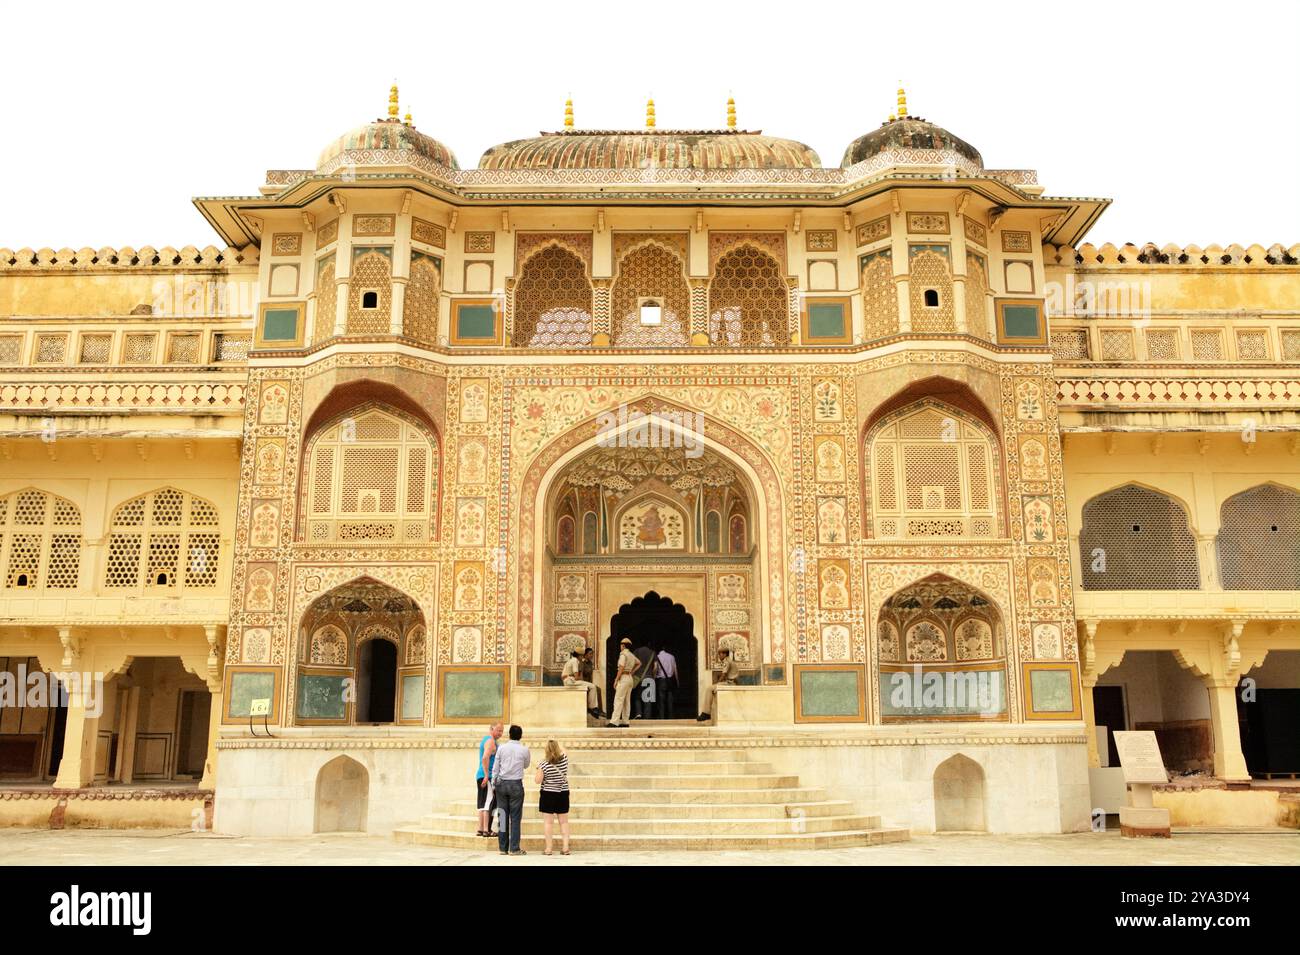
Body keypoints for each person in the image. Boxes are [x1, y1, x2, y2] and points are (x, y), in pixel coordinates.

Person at [490, 724, 531, 855]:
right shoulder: (524, 750)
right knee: (515, 817)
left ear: (509, 735)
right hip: (516, 785)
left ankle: (502, 848)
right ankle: (514, 848)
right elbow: (526, 765)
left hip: (501, 784)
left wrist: (493, 783)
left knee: (502, 816)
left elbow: (495, 768)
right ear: (520, 736)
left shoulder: (501, 748)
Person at [534, 738, 571, 856]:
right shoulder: (564, 759)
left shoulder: (543, 764)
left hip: (548, 794)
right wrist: (556, 743)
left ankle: (549, 849)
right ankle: (565, 848)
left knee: (548, 823)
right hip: (563, 793)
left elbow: (537, 781)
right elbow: (564, 750)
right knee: (564, 822)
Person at [697, 647, 740, 722]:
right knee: (711, 688)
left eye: (720, 654)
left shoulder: (727, 662)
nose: (719, 656)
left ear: (724, 654)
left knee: (709, 688)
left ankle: (706, 713)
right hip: (730, 682)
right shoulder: (729, 661)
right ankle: (706, 712)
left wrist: (717, 683)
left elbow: (724, 674)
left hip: (730, 683)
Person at [475, 721, 502, 837]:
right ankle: (486, 830)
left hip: (481, 775)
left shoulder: (486, 739)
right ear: (491, 729)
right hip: (487, 776)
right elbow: (485, 758)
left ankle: (480, 828)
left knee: (482, 803)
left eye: (502, 731)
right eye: (498, 730)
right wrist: (487, 775)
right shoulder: (491, 741)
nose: (500, 733)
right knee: (489, 802)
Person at [562, 649, 604, 718]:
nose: (582, 657)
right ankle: (592, 708)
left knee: (592, 687)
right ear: (580, 655)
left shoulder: (571, 660)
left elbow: (564, 676)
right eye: (582, 656)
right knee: (593, 687)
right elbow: (576, 677)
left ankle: (595, 709)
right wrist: (583, 681)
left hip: (569, 680)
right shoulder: (575, 661)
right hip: (571, 681)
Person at [607, 637, 638, 727]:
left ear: (623, 645)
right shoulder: (631, 655)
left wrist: (616, 679)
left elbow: (620, 668)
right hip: (629, 678)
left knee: (618, 700)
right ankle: (625, 722)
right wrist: (631, 672)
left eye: (621, 645)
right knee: (626, 701)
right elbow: (639, 663)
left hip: (624, 678)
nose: (620, 647)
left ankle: (614, 722)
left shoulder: (623, 655)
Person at [631, 642, 659, 720]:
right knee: (648, 699)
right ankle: (647, 717)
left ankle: (638, 713)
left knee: (637, 697)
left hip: (638, 677)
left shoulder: (636, 651)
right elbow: (655, 667)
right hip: (649, 678)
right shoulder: (653, 653)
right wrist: (653, 676)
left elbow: (632, 663)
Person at [656, 644, 678, 720]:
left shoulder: (657, 657)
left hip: (661, 680)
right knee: (670, 700)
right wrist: (677, 682)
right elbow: (675, 670)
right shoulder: (672, 657)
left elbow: (656, 669)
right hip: (670, 680)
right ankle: (671, 717)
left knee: (661, 700)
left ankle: (662, 717)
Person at [580, 647, 602, 713]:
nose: (592, 655)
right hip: (583, 683)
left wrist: (591, 684)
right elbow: (581, 676)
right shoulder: (582, 663)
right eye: (590, 654)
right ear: (585, 655)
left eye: (592, 654)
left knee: (598, 689)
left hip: (589, 683)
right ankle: (591, 708)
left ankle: (599, 710)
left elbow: (590, 676)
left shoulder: (590, 663)